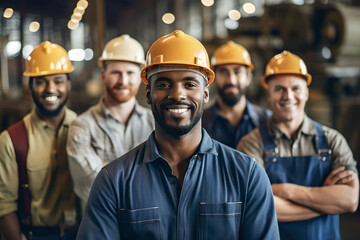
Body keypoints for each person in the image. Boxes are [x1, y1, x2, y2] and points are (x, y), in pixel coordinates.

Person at [76, 30, 280, 240]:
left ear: (206, 93)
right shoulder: (113, 182)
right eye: (163, 84)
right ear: (148, 94)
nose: (177, 94)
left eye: (190, 84)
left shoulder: (247, 176)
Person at [237, 50, 359, 239]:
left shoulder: (332, 140)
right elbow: (258, 207)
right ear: (268, 94)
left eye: (295, 88)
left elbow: (350, 200)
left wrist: (284, 190)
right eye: (279, 89)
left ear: (306, 93)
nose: (288, 96)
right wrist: (325, 203)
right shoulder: (251, 144)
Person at [66, 34, 154, 210]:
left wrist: (107, 170)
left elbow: (167, 179)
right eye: (116, 73)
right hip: (101, 228)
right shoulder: (82, 126)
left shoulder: (154, 122)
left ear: (141, 77)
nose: (123, 81)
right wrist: (144, 174)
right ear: (103, 75)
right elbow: (90, 186)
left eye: (130, 73)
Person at [0, 41, 78, 239]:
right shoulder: (11, 140)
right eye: (41, 81)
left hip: (83, 233)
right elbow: (4, 205)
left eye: (58, 81)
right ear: (30, 86)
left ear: (68, 84)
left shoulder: (87, 129)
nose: (50, 89)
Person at [202, 41, 271, 148]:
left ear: (248, 77)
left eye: (237, 72)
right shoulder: (200, 122)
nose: (231, 80)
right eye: (224, 72)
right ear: (213, 78)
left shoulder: (267, 121)